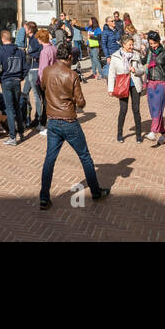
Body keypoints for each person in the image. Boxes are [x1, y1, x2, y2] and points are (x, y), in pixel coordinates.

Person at [38, 42, 109, 210]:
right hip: (69, 121)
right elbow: (81, 102)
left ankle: (44, 197)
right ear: (69, 57)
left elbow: (43, 86)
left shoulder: (47, 71)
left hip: (53, 121)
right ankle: (96, 191)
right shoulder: (72, 75)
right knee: (85, 156)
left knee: (49, 159)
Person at [107, 33, 145, 143]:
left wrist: (135, 70)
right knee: (123, 110)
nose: (132, 47)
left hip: (135, 85)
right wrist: (110, 89)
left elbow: (142, 70)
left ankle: (138, 135)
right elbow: (111, 73)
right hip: (122, 85)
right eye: (130, 45)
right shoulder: (115, 56)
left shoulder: (136, 55)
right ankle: (119, 134)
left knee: (136, 110)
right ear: (123, 45)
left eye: (132, 45)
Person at [0, 29, 26, 145]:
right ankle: (21, 132)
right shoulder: (20, 51)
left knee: (10, 109)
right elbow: (25, 67)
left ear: (2, 39)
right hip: (16, 80)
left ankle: (12, 136)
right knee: (17, 107)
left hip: (6, 80)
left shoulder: (1, 51)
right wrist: (21, 77)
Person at [143, 31, 165, 144]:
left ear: (159, 41)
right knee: (152, 108)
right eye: (151, 43)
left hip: (162, 82)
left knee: (158, 107)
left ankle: (153, 131)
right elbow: (142, 61)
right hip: (150, 83)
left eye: (154, 43)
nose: (153, 46)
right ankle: (163, 134)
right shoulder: (149, 52)